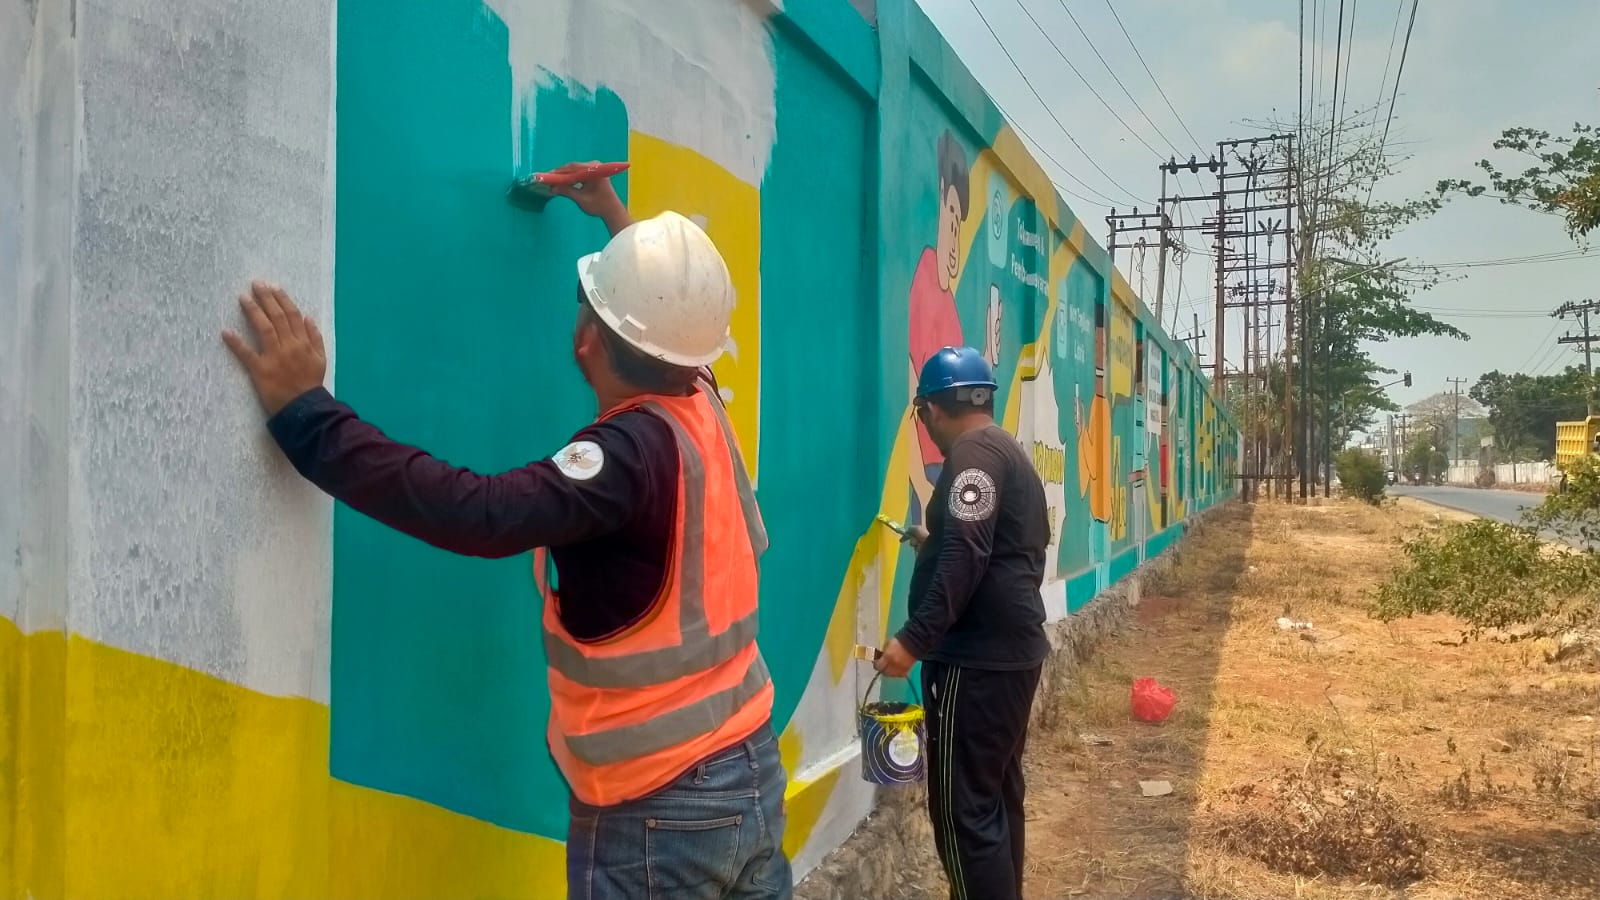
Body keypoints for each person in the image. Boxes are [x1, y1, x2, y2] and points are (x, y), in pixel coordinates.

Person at [220, 166, 791, 900]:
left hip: (662, 808)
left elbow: (479, 512)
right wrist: (616, 219)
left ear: (586, 337)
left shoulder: (621, 461)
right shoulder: (700, 403)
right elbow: (671, 331)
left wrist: (307, 416)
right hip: (749, 767)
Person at [875, 347, 1050, 900]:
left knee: (960, 812)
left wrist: (912, 639)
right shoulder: (1004, 451)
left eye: (921, 415)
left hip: (975, 663)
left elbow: (968, 553)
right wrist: (934, 537)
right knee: (995, 799)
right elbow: (989, 543)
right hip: (1009, 656)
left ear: (930, 410)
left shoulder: (972, 456)